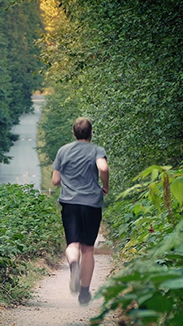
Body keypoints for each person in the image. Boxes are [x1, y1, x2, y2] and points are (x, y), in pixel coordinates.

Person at [51, 117, 109, 306]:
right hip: (92, 203)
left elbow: (55, 181)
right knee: (88, 249)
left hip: (70, 203)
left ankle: (73, 264)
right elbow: (103, 167)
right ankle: (84, 292)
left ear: (74, 134)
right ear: (91, 133)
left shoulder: (63, 151)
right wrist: (105, 185)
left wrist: (66, 179)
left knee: (73, 244)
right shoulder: (96, 150)